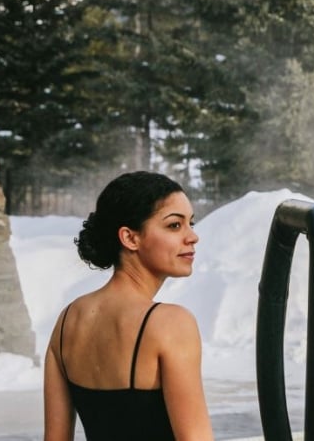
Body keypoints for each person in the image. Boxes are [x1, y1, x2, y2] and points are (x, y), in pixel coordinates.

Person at [45, 171, 212, 441]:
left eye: (191, 223)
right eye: (174, 225)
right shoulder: (170, 323)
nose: (192, 237)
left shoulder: (68, 320)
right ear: (130, 238)